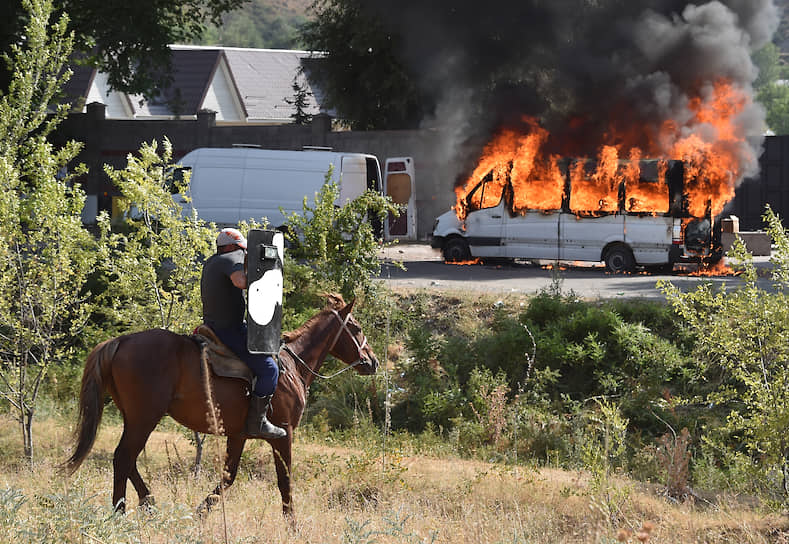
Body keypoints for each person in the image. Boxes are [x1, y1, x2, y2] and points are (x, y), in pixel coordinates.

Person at [200, 227, 286, 439]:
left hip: (214, 326)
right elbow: (240, 281)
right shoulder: (231, 257)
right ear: (232, 247)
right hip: (228, 330)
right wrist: (264, 276)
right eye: (241, 250)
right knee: (269, 370)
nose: (243, 254)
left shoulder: (212, 261)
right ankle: (258, 423)